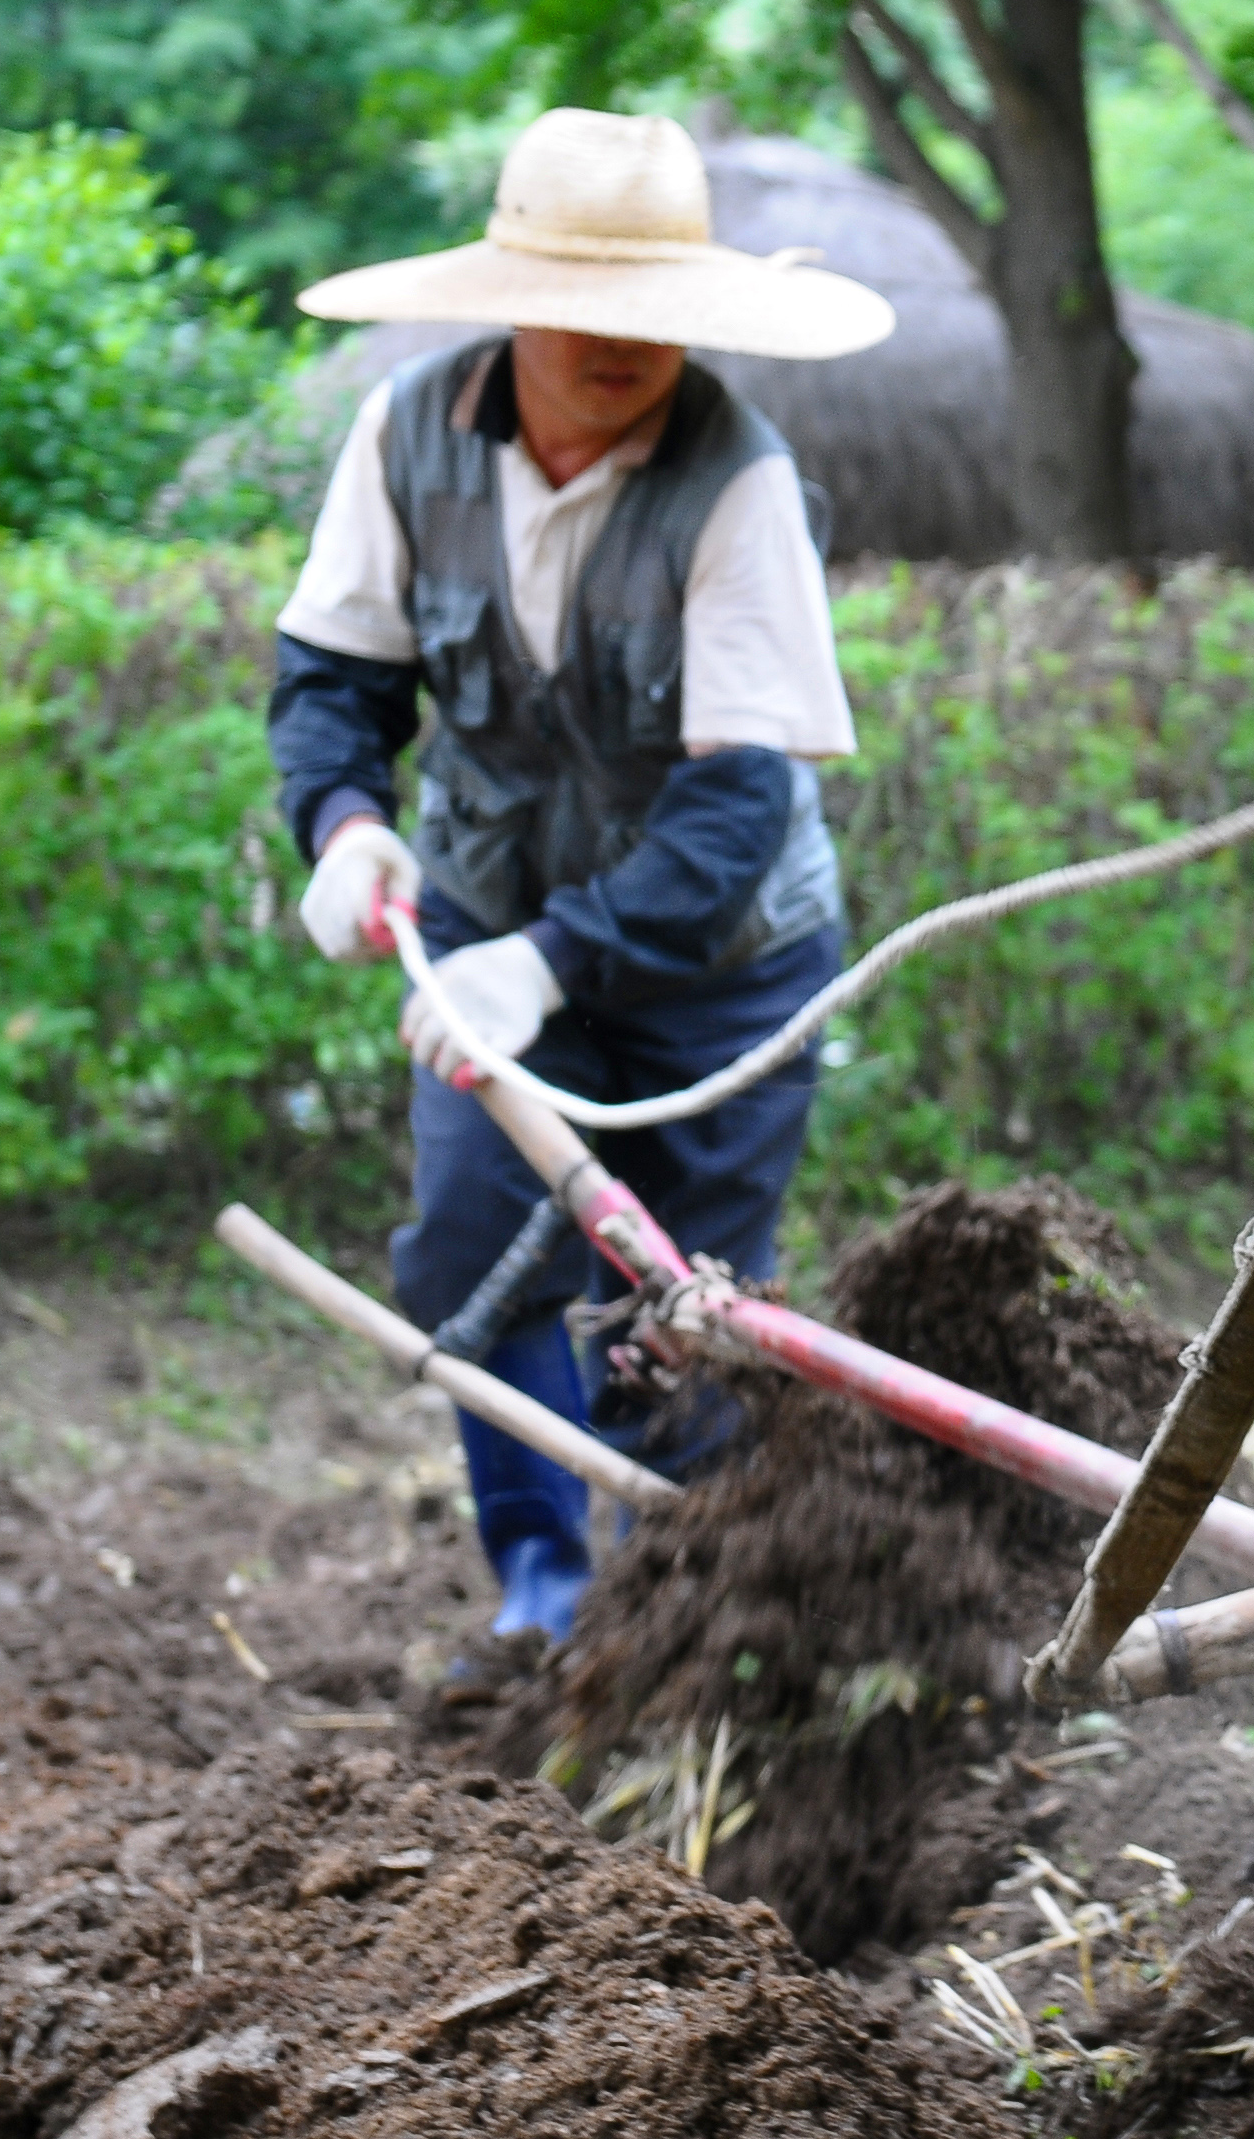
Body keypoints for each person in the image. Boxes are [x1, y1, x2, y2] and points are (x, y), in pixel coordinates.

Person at [268, 108, 893, 1644]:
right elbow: (336, 676)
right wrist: (342, 822)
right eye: (584, 305)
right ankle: (543, 1588)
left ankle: (675, 1615)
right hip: (485, 922)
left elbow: (735, 809)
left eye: (652, 310)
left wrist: (545, 963)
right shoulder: (406, 437)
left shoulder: (738, 482)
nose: (621, 342)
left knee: (684, 1300)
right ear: (509, 300)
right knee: (469, 1251)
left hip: (722, 970)